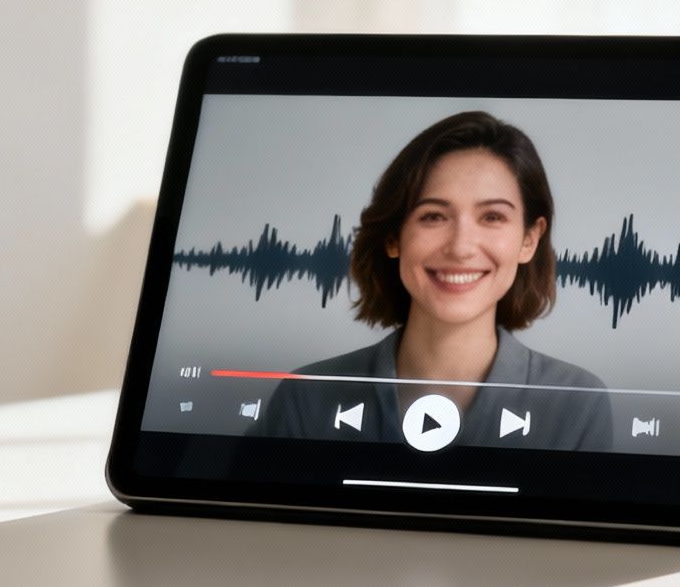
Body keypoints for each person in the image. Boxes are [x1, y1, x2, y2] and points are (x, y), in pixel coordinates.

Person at [253, 111, 614, 450]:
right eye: (433, 216)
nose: (460, 248)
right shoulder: (305, 398)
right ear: (394, 237)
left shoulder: (577, 406)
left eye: (491, 217)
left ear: (528, 240)